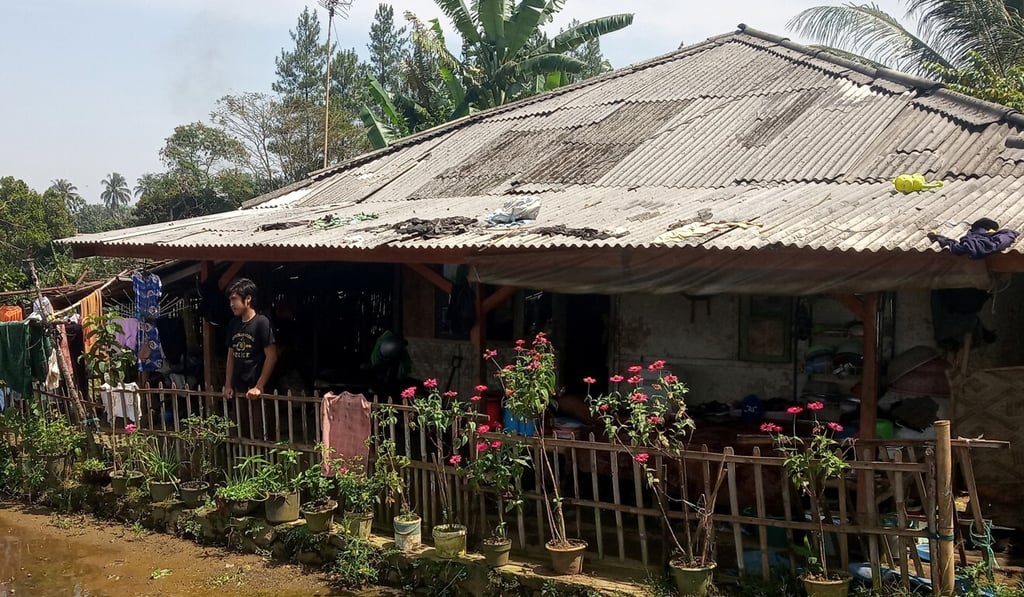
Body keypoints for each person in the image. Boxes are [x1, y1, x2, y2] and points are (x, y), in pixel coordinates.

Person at [223, 278, 277, 440]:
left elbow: (272, 357)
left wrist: (259, 386)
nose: (231, 304)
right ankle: (246, 464)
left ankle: (267, 464)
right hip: (240, 387)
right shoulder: (233, 324)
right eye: (230, 300)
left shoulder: (262, 323)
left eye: (234, 299)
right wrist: (228, 384)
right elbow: (231, 356)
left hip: (258, 388)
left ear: (248, 299)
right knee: (242, 431)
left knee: (262, 432)